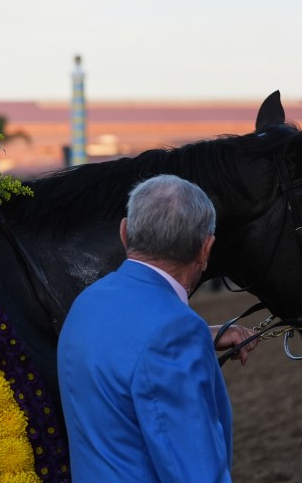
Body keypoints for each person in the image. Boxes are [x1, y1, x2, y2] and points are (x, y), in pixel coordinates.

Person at [57, 174, 257, 482]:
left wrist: (199, 337)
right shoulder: (175, 332)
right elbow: (195, 472)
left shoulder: (88, 300)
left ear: (124, 232)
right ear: (206, 249)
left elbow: (125, 343)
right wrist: (187, 337)